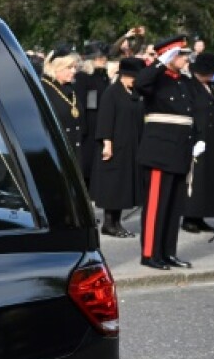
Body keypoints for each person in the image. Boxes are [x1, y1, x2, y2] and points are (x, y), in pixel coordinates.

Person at [134, 35, 198, 270]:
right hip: (159, 151)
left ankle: (168, 252)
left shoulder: (184, 81)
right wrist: (160, 62)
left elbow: (193, 113)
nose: (185, 59)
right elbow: (140, 83)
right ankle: (150, 253)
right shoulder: (156, 79)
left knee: (173, 207)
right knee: (156, 206)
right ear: (169, 56)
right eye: (180, 55)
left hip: (181, 149)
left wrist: (198, 139)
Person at [91, 57, 145, 237]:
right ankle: (109, 223)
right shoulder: (112, 93)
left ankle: (117, 222)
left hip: (130, 145)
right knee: (113, 185)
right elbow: (105, 119)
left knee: (123, 185)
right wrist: (107, 143)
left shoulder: (134, 93)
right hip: (115, 144)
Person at [181, 51, 214, 234]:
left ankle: (201, 216)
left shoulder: (209, 86)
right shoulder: (190, 86)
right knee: (196, 179)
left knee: (208, 178)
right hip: (197, 137)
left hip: (212, 138)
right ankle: (190, 217)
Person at [41, 51, 86, 172]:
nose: (74, 71)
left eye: (75, 67)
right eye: (69, 67)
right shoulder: (44, 89)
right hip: (56, 154)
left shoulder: (69, 88)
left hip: (75, 151)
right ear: (57, 67)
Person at [75, 42, 111, 186]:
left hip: (100, 121)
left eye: (104, 57)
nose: (103, 60)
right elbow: (81, 103)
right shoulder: (83, 77)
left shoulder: (103, 76)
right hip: (88, 123)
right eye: (99, 57)